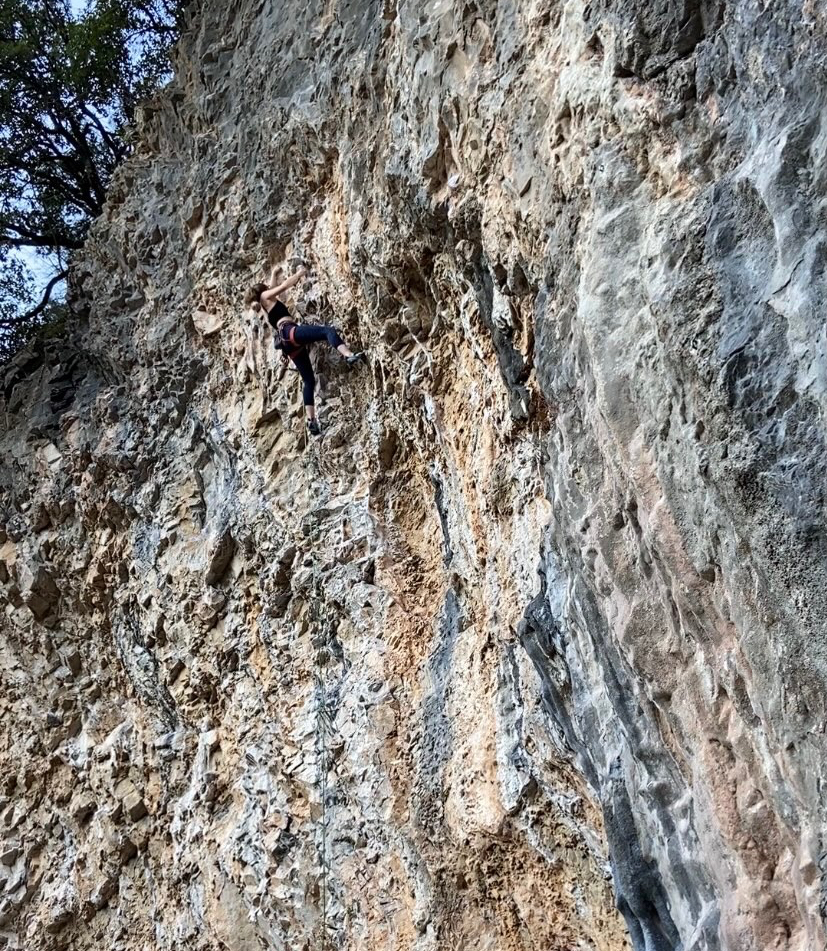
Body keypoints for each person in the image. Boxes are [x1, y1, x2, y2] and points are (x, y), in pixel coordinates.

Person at [245, 265, 364, 436]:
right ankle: (348, 355)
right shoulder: (265, 296)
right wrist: (300, 273)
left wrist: (274, 273)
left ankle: (311, 421)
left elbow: (273, 288)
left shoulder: (265, 307)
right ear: (262, 291)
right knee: (327, 331)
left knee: (308, 381)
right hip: (290, 331)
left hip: (287, 343)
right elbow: (283, 286)